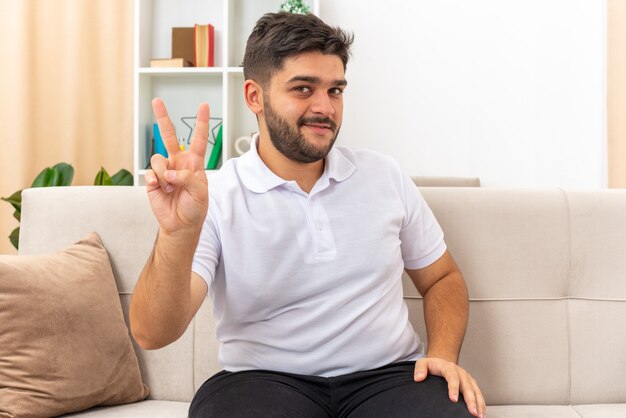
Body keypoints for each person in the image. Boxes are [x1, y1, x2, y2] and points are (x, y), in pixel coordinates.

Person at [129, 12, 486, 418]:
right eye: (303, 88)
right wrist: (177, 234)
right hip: (261, 382)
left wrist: (442, 355)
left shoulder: (384, 175)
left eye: (335, 90)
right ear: (254, 96)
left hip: (389, 377)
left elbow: (442, 278)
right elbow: (151, 333)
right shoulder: (217, 194)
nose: (325, 107)